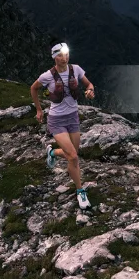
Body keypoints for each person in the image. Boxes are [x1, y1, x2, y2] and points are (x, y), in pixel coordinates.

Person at [31, 42, 96, 209]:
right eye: (60, 55)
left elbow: (89, 85)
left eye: (66, 54)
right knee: (73, 156)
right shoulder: (48, 76)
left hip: (73, 117)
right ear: (54, 57)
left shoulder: (76, 69)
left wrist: (90, 92)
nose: (64, 57)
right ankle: (80, 191)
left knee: (72, 155)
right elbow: (34, 88)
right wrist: (39, 110)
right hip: (57, 120)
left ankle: (52, 152)